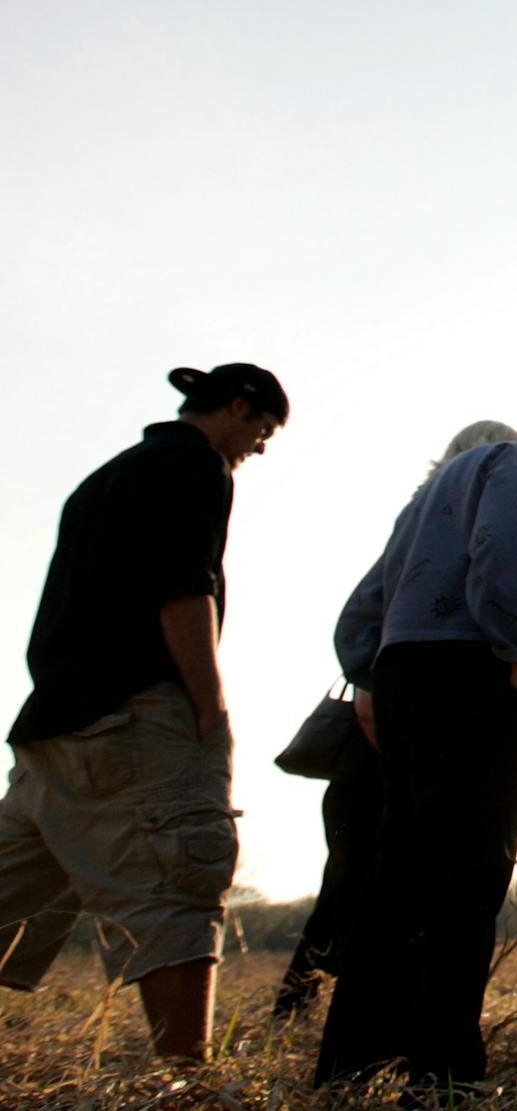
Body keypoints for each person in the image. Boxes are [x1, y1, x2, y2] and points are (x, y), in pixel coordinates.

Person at [0, 364, 287, 1060]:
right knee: (178, 887)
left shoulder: (104, 478)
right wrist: (209, 707)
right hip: (131, 725)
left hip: (51, 734)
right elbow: (184, 592)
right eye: (262, 429)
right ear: (237, 407)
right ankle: (185, 1086)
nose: (259, 446)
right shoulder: (197, 467)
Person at [315, 421, 517, 1089]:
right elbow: (505, 544)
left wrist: (369, 674)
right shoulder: (511, 461)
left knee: (397, 869)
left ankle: (350, 1063)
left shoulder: (419, 504)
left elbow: (359, 609)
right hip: (479, 668)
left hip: (404, 676)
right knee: (471, 871)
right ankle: (445, 1070)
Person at [273, 743, 384, 1020]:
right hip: (372, 790)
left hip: (358, 787)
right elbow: (366, 713)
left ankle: (295, 1014)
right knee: (348, 906)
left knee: (337, 905)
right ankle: (303, 1013)